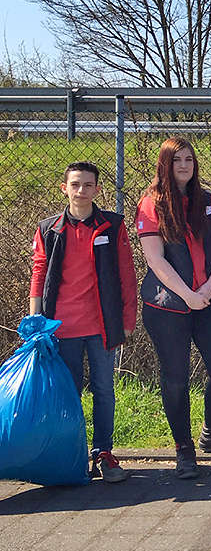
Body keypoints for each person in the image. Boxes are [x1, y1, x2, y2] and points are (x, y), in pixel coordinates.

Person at [137, 137, 211, 479]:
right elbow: (155, 259)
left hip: (210, 299)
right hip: (168, 305)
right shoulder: (151, 203)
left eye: (189, 159)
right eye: (177, 160)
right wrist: (187, 294)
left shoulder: (209, 201)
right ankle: (183, 449)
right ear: (165, 164)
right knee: (175, 379)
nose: (184, 165)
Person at [29, 161, 137, 483]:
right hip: (61, 329)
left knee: (104, 390)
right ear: (65, 188)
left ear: (98, 189)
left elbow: (127, 277)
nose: (81, 191)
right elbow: (38, 274)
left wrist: (127, 320)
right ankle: (73, 456)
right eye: (75, 184)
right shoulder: (49, 229)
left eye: (88, 185)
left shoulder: (112, 226)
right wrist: (36, 321)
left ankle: (103, 453)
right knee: (68, 394)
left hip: (101, 327)